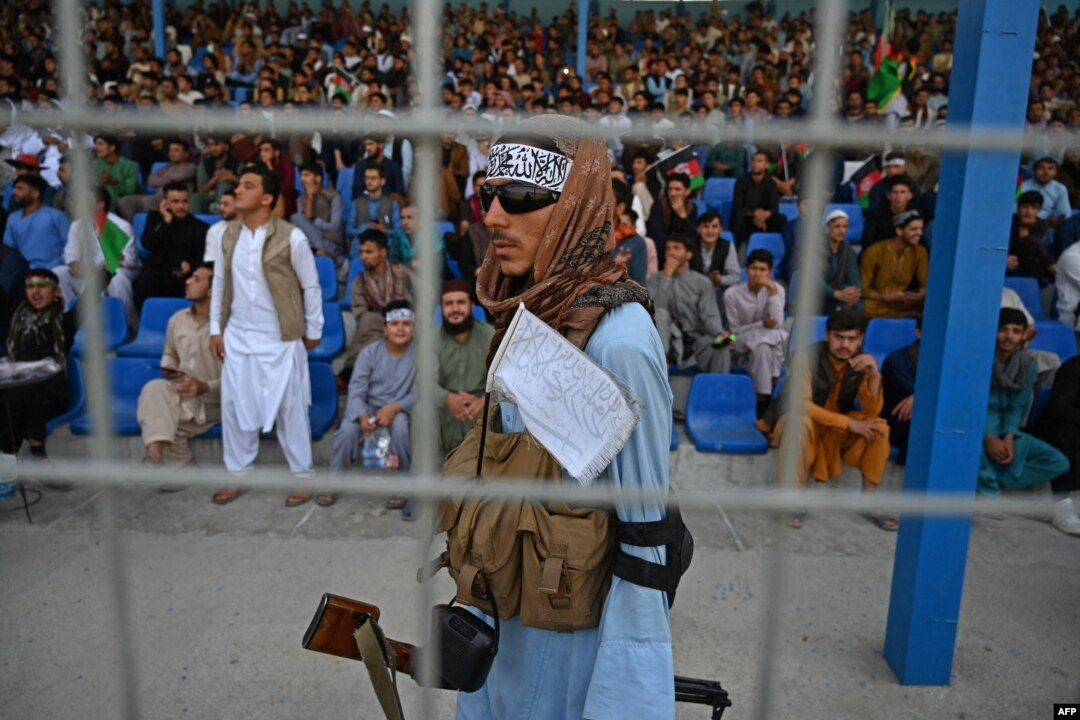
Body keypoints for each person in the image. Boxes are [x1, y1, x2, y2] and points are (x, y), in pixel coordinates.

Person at [458, 114, 674, 720]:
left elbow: (645, 539)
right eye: (488, 195)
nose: (493, 217)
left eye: (521, 196)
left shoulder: (617, 341)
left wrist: (629, 697)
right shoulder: (530, 308)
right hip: (502, 618)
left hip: (564, 650)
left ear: (576, 204)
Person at [208, 164, 323, 507]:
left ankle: (303, 476)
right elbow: (219, 283)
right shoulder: (225, 234)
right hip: (238, 335)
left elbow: (311, 285)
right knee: (234, 406)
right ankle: (237, 474)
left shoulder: (292, 236)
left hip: (280, 338)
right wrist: (216, 328)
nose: (237, 190)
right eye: (239, 184)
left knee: (291, 409)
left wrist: (314, 329)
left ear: (267, 197)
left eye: (248, 185)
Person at [756, 309, 895, 530]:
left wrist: (874, 377)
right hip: (797, 420)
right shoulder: (806, 356)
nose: (845, 345)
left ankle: (868, 502)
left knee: (879, 428)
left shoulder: (862, 362)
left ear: (860, 339)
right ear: (827, 335)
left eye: (852, 339)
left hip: (833, 427)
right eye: (839, 337)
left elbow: (872, 412)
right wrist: (848, 423)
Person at [329, 299, 416, 512]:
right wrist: (361, 416)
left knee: (400, 427)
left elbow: (420, 391)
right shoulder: (369, 353)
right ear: (385, 329)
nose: (400, 329)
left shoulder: (419, 355)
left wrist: (395, 407)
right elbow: (356, 389)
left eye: (406, 324)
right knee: (347, 430)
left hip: (399, 409)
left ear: (413, 329)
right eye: (394, 324)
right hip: (368, 407)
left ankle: (404, 485)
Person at [136, 264, 221, 470]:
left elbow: (241, 379)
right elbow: (169, 352)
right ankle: (156, 458)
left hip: (215, 400)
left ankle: (171, 464)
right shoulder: (177, 319)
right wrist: (169, 366)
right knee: (153, 388)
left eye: (196, 279)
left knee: (162, 419)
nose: (187, 281)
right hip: (182, 392)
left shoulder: (228, 326)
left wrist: (204, 387)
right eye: (190, 277)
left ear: (212, 290)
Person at [977, 308, 1069, 497]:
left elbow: (1017, 407)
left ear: (1024, 335)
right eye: (1003, 329)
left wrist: (1008, 439)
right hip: (977, 429)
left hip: (1007, 430)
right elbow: (972, 407)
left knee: (1059, 462)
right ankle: (989, 490)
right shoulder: (979, 361)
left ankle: (999, 479)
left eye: (1016, 331)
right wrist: (989, 438)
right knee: (976, 455)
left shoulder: (1027, 364)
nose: (1009, 336)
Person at [0, 269, 74, 464]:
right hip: (19, 388)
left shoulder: (65, 322)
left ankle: (26, 456)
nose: (35, 292)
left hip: (51, 391)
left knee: (20, 399)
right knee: (9, 399)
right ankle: (13, 459)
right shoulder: (18, 322)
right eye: (30, 287)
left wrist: (109, 269)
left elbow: (90, 298)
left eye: (42, 286)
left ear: (56, 291)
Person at [54, 187, 141, 331]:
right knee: (59, 273)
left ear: (101, 205)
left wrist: (98, 270)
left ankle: (127, 326)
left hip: (116, 270)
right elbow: (70, 255)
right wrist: (77, 266)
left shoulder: (120, 226)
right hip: (87, 272)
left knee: (117, 278)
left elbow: (126, 259)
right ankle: (72, 324)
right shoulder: (77, 225)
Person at [648, 233, 730, 373]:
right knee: (660, 312)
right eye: (668, 249)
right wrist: (666, 276)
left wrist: (719, 332)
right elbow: (656, 312)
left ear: (688, 254)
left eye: (676, 248)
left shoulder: (702, 282)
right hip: (666, 344)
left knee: (722, 344)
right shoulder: (654, 280)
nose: (671, 252)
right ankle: (662, 366)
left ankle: (719, 386)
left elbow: (709, 315)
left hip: (694, 343)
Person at [342, 228, 412, 377]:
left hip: (406, 325)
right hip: (376, 331)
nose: (363, 257)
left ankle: (352, 370)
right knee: (369, 320)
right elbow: (361, 317)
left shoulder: (402, 272)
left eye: (369, 252)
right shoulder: (359, 283)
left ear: (383, 252)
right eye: (361, 252)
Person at [724, 249, 788, 408]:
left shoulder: (777, 290)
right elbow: (734, 331)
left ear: (770, 272)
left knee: (763, 347)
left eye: (763, 270)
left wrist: (772, 291)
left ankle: (761, 397)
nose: (758, 274)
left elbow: (777, 322)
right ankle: (773, 381)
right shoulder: (731, 294)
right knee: (776, 335)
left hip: (764, 343)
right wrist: (761, 324)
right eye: (754, 269)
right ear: (746, 270)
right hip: (736, 340)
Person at [435, 280, 494, 454]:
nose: (455, 309)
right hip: (444, 412)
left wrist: (484, 401)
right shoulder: (430, 339)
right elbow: (424, 381)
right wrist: (447, 398)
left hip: (482, 408)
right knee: (421, 409)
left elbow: (504, 382)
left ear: (472, 306)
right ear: (441, 308)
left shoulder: (491, 336)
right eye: (449, 303)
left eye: (461, 302)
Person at [132, 182, 209, 312]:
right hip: (158, 272)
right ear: (165, 203)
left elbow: (204, 259)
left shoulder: (200, 227)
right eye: (175, 202)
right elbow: (148, 244)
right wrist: (166, 221)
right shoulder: (155, 219)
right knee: (145, 281)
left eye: (184, 201)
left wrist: (191, 265)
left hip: (185, 276)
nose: (181, 206)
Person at [1034, 354, 1080, 535]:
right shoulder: (1074, 366)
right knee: (1069, 432)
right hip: (1061, 427)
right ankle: (1061, 504)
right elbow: (1059, 407)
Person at [860, 210, 929, 318]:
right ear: (899, 231)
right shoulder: (874, 252)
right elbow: (863, 288)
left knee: (929, 306)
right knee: (864, 307)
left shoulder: (920, 252)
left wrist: (921, 294)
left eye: (921, 229)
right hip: (877, 301)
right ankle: (902, 316)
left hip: (902, 302)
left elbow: (925, 283)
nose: (919, 233)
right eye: (914, 229)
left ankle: (903, 315)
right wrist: (884, 297)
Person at [116, 138, 197, 221]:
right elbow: (150, 180)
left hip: (175, 198)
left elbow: (179, 176)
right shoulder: (166, 167)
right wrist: (170, 180)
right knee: (124, 201)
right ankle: (133, 226)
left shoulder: (191, 167)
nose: (172, 153)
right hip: (156, 197)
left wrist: (162, 179)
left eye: (176, 150)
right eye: (170, 150)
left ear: (186, 154)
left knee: (149, 202)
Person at [2, 174, 68, 270]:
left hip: (54, 271)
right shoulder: (12, 218)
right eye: (14, 188)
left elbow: (70, 248)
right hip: (22, 273)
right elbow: (9, 249)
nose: (14, 192)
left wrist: (53, 266)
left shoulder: (56, 216)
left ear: (35, 193)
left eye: (20, 189)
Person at [290, 161, 346, 267]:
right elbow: (303, 225)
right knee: (296, 218)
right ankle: (324, 251)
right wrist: (309, 199)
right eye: (301, 176)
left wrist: (314, 220)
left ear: (318, 178)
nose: (302, 179)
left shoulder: (333, 196)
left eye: (306, 175)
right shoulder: (301, 199)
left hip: (332, 241)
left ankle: (331, 254)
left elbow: (334, 227)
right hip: (312, 243)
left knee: (297, 218)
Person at [881, 319, 921, 465]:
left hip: (920, 415)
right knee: (919, 418)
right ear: (918, 332)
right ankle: (906, 471)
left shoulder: (946, 359)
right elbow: (916, 398)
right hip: (896, 418)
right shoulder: (896, 360)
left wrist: (917, 397)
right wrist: (919, 397)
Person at [729, 150, 786, 249]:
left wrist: (764, 215)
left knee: (781, 219)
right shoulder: (741, 181)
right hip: (747, 217)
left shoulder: (771, 183)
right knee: (738, 217)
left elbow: (774, 208)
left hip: (764, 219)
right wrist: (755, 213)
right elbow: (737, 206)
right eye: (754, 161)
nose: (755, 164)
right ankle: (735, 251)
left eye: (759, 161)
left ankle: (773, 249)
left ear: (767, 165)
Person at [688, 211, 741, 307]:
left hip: (716, 293)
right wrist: (706, 280)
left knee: (731, 291)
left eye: (714, 227)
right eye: (705, 227)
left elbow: (735, 277)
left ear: (720, 230)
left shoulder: (727, 246)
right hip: (692, 290)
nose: (710, 231)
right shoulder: (688, 246)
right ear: (698, 230)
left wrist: (720, 279)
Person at [818, 209, 863, 315]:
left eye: (845, 227)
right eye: (837, 227)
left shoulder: (849, 252)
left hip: (840, 292)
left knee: (859, 307)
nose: (842, 231)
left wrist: (853, 294)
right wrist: (836, 294)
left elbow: (854, 279)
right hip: (819, 295)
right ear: (827, 229)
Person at [645, 172, 697, 260]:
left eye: (677, 189)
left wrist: (683, 215)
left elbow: (693, 234)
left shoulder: (691, 207)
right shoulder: (659, 206)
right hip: (663, 247)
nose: (673, 193)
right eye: (670, 189)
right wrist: (674, 246)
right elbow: (655, 233)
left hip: (683, 247)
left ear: (687, 192)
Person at [1007, 191, 1056, 282]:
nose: (1029, 212)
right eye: (1025, 207)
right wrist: (1023, 227)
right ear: (1018, 208)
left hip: (1031, 260)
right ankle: (1052, 267)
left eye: (1034, 208)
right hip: (1012, 257)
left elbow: (1030, 249)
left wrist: (1024, 229)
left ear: (1039, 210)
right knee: (1033, 242)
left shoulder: (1042, 225)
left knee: (1032, 260)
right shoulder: (1010, 222)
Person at [861, 176, 919, 247]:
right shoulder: (876, 214)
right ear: (888, 196)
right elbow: (866, 241)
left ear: (910, 196)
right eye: (895, 192)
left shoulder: (915, 215)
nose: (898, 196)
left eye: (902, 192)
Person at [1019, 157, 1072, 228]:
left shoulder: (1060, 189)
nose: (1046, 172)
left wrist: (1055, 218)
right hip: (1024, 220)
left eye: (1050, 169)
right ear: (1034, 171)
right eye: (1041, 168)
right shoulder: (1022, 186)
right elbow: (1014, 209)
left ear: (1055, 172)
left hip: (1050, 225)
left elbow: (1065, 213)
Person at [92, 134, 140, 205]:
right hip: (100, 203)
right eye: (96, 144)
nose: (96, 148)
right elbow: (92, 186)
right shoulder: (95, 164)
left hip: (124, 204)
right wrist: (101, 182)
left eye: (100, 144)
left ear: (112, 148)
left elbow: (131, 191)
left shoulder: (130, 166)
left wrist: (113, 182)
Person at [202, 190, 238, 263]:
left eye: (225, 204)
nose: (221, 208)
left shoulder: (250, 226)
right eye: (220, 204)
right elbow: (210, 259)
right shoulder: (215, 230)